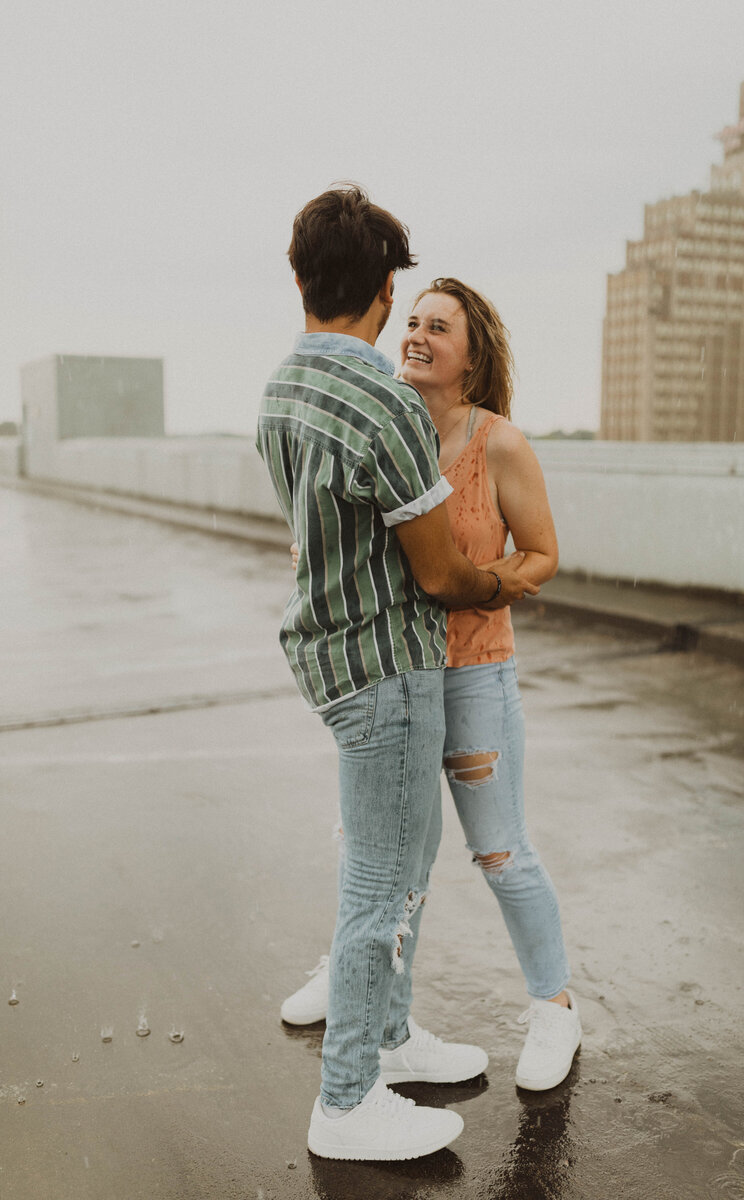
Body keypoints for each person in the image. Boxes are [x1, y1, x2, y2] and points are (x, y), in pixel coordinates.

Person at [257, 190, 535, 1162]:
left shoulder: (281, 388)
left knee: (402, 866)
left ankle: (388, 1037)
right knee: (384, 882)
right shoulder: (379, 398)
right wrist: (502, 579)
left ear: (301, 277)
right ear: (381, 291)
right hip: (389, 669)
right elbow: (437, 572)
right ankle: (344, 1101)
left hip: (329, 655)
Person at [282, 277, 581, 1096]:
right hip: (395, 673)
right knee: (378, 852)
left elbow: (543, 553)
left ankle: (554, 1007)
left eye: (436, 327)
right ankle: (354, 983)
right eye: (410, 321)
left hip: (473, 673)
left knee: (501, 851)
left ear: (473, 355)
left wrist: (479, 584)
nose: (414, 334)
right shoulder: (390, 420)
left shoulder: (501, 444)